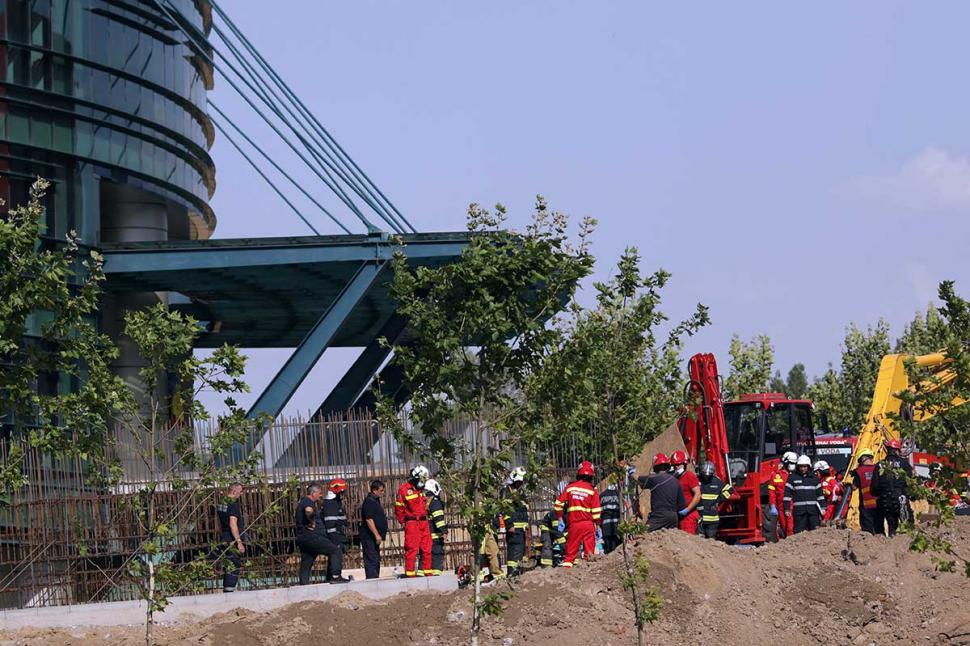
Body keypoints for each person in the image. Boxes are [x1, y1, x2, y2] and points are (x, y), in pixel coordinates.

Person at [554, 461, 602, 567]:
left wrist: (560, 517)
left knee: (570, 555)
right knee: (589, 554)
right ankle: (587, 578)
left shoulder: (570, 487)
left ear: (578, 474)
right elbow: (596, 512)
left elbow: (558, 504)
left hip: (574, 525)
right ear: (591, 475)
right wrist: (598, 525)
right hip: (588, 525)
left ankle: (566, 576)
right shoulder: (592, 490)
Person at [294, 482, 340, 585]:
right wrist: (312, 522)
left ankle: (304, 585)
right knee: (335, 551)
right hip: (312, 537)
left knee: (307, 562)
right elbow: (309, 511)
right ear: (313, 493)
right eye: (319, 493)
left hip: (303, 538)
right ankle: (336, 577)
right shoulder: (308, 502)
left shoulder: (302, 502)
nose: (320, 496)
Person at [395, 465, 433, 577]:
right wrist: (404, 522)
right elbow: (399, 508)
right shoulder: (404, 489)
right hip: (411, 523)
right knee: (411, 549)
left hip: (424, 522)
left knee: (427, 548)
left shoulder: (425, 489)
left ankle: (428, 573)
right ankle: (410, 575)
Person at [871, 438, 914, 536]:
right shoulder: (904, 464)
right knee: (908, 527)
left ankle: (889, 541)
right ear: (897, 450)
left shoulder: (880, 465)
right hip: (901, 499)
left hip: (885, 500)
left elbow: (874, 488)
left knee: (890, 527)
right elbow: (911, 483)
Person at [637, 453, 688, 532]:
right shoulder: (676, 481)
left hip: (659, 516)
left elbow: (640, 480)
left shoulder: (653, 479)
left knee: (643, 534)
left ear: (655, 467)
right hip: (673, 517)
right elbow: (682, 505)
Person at [214, 482, 245, 592]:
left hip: (224, 537)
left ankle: (227, 589)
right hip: (231, 539)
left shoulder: (222, 502)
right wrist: (239, 542)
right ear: (234, 491)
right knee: (234, 564)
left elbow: (218, 523)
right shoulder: (233, 504)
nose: (241, 494)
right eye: (240, 492)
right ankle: (229, 592)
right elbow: (233, 524)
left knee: (228, 564)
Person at [783, 455, 825, 533]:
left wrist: (823, 507)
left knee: (815, 532)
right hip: (799, 512)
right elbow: (787, 495)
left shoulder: (814, 478)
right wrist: (786, 508)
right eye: (801, 466)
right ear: (797, 466)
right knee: (799, 532)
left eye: (805, 466)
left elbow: (820, 495)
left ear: (808, 466)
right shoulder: (792, 477)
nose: (803, 469)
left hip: (813, 511)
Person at [321, 479, 351, 583]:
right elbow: (330, 523)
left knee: (336, 554)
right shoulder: (330, 504)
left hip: (339, 534)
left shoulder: (335, 502)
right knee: (336, 552)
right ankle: (335, 576)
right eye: (341, 491)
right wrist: (335, 539)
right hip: (335, 535)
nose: (342, 494)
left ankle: (332, 576)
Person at [501, 467, 530, 576]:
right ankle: (512, 574)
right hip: (514, 528)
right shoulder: (506, 491)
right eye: (518, 481)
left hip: (521, 528)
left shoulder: (519, 492)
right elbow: (504, 509)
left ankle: (519, 573)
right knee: (514, 552)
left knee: (521, 552)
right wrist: (509, 525)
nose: (520, 483)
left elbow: (523, 509)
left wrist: (526, 523)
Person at [766, 451, 798, 541]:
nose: (793, 465)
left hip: (794, 504)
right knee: (784, 525)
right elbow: (772, 492)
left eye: (794, 463)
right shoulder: (776, 475)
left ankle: (791, 541)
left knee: (790, 526)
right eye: (791, 463)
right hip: (781, 505)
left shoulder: (796, 475)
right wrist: (772, 505)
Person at [359, 479, 387, 579]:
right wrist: (376, 534)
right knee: (371, 559)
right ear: (374, 490)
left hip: (373, 538)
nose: (383, 493)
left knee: (375, 559)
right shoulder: (369, 502)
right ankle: (372, 581)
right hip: (369, 537)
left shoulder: (375, 501)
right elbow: (369, 520)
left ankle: (375, 579)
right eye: (381, 490)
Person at [697, 462, 733, 539]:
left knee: (711, 541)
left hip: (712, 518)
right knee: (699, 541)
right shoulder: (697, 480)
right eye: (704, 475)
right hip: (700, 518)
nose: (706, 477)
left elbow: (730, 490)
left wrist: (719, 500)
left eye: (708, 475)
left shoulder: (716, 481)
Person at [851, 449, 881, 534]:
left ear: (862, 459)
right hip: (879, 504)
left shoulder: (859, 471)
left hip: (866, 506)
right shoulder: (878, 468)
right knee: (879, 529)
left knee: (867, 531)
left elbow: (854, 487)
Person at [670, 450, 701, 535]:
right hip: (678, 515)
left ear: (684, 464)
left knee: (688, 540)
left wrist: (687, 509)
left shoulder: (689, 476)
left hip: (688, 516)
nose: (676, 467)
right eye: (674, 465)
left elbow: (698, 494)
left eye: (678, 464)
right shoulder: (675, 478)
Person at [424, 478, 447, 576]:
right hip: (436, 536)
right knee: (437, 556)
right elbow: (439, 520)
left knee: (425, 556)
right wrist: (444, 532)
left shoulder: (425, 502)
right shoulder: (435, 502)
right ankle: (436, 577)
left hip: (426, 535)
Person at [599, 482, 622, 554]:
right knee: (617, 549)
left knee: (608, 549)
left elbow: (599, 511)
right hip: (616, 526)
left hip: (605, 526)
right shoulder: (619, 494)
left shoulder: (602, 495)